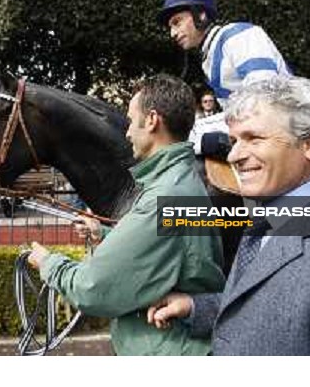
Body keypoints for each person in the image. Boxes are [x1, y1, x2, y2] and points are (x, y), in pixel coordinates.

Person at [147, 75, 310, 355]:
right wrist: (196, 307)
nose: (233, 156)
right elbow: (275, 299)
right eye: (234, 141)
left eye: (254, 138)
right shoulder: (265, 224)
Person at [27, 74, 225, 356]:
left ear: (153, 120)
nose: (128, 132)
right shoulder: (179, 181)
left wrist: (49, 263)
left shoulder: (165, 195)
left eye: (131, 121)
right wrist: (104, 234)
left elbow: (92, 288)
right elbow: (170, 247)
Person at [158, 0, 291, 157]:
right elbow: (232, 113)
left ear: (201, 15)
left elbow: (265, 98)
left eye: (177, 22)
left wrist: (200, 139)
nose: (172, 33)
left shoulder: (239, 36)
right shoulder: (209, 56)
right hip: (261, 131)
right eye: (170, 27)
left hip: (289, 129)